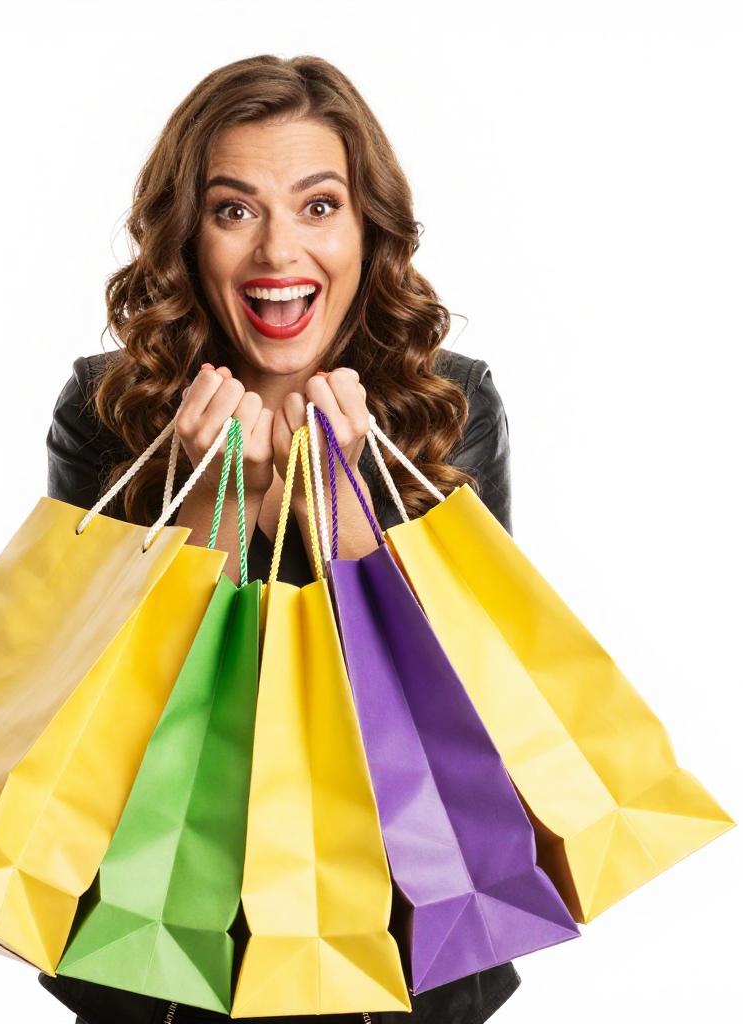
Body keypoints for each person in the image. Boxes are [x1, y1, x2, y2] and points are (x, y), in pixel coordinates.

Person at [39, 53, 518, 1024]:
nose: (276, 254)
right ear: (187, 236)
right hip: (170, 935)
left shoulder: (445, 406)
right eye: (232, 210)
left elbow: (482, 710)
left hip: (401, 929)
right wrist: (210, 500)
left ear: (365, 227)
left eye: (316, 206)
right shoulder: (109, 411)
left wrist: (338, 507)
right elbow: (87, 719)